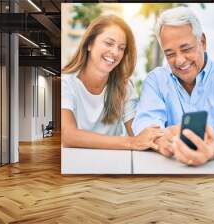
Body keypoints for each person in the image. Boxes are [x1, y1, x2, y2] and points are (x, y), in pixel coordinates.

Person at [132, 7, 214, 166]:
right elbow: (146, 123)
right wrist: (162, 143)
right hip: (168, 175)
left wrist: (211, 150)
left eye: (186, 49)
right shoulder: (155, 80)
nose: (180, 60)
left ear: (202, 42)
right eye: (170, 54)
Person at [61, 15, 163, 150]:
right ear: (90, 43)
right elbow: (68, 135)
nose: (115, 52)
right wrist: (131, 142)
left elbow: (137, 132)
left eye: (121, 48)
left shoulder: (124, 87)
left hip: (112, 167)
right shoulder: (66, 83)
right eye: (109, 43)